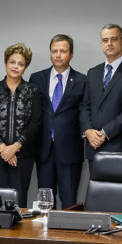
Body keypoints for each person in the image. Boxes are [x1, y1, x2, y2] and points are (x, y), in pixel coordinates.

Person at [29, 34, 86, 209]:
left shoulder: (82, 81)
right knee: (45, 201)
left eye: (63, 51)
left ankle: (67, 234)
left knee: (69, 200)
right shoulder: (36, 78)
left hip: (69, 150)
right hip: (44, 149)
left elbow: (84, 112)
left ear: (71, 54)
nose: (58, 55)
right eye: (55, 51)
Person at [0, 43, 41, 208]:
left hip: (23, 156)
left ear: (25, 67)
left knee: (19, 200)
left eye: (21, 64)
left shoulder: (33, 91)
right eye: (12, 62)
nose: (16, 66)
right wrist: (3, 148)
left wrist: (15, 147)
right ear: (6, 63)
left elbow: (36, 122)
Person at [80, 24, 122, 165]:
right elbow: (85, 106)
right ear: (101, 44)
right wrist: (88, 131)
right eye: (105, 40)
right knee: (96, 188)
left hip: (120, 147)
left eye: (114, 39)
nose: (109, 44)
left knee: (121, 188)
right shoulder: (93, 72)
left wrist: (104, 133)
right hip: (93, 146)